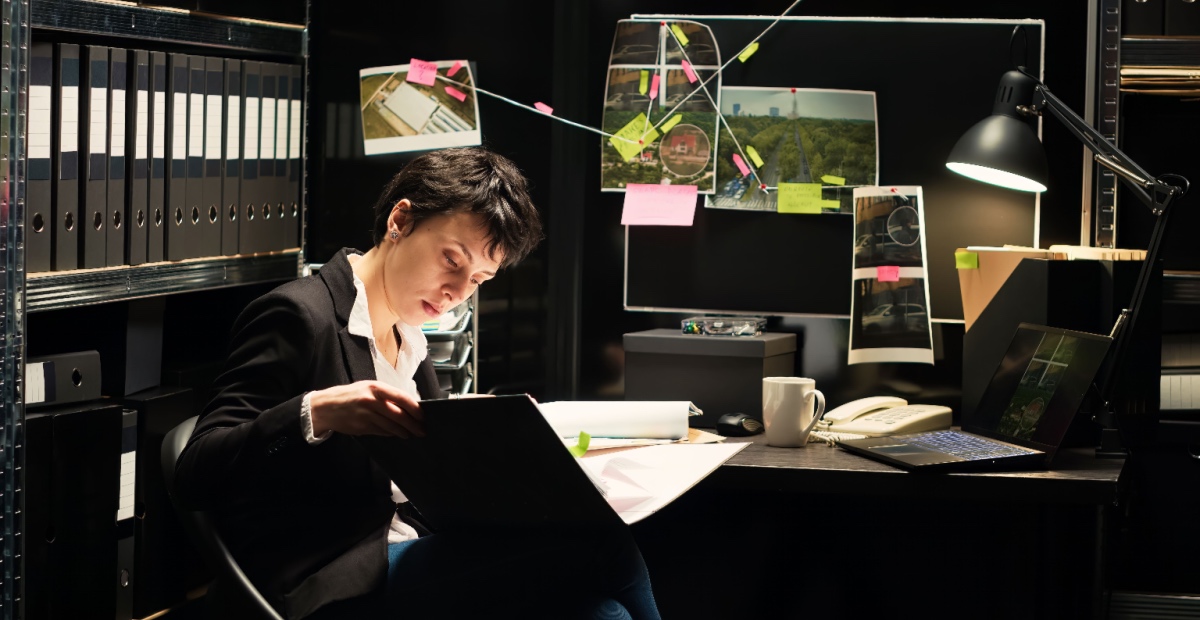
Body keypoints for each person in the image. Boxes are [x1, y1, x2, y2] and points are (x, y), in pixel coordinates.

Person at [173, 147, 661, 620]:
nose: (457, 293)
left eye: (478, 280)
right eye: (452, 260)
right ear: (400, 221)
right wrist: (315, 412)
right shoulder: (300, 315)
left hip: (413, 551)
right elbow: (195, 472)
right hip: (334, 581)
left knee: (602, 610)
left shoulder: (410, 337)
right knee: (601, 543)